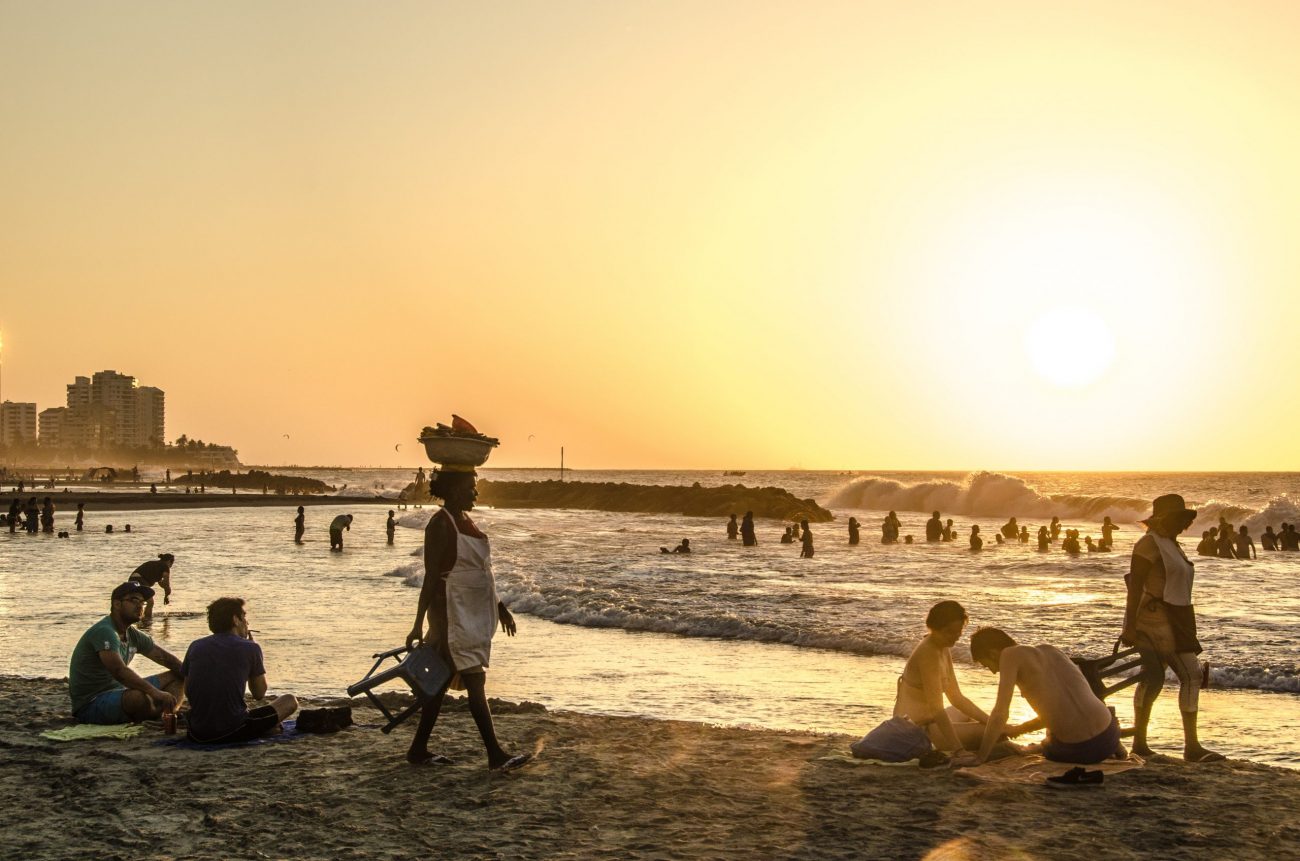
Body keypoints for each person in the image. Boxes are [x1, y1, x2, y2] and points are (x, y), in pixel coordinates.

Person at [405, 469, 530, 771]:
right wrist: (418, 622)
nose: (475, 494)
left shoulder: (466, 520)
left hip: (472, 611)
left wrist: (500, 607)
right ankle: (495, 755)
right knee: (474, 678)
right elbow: (432, 577)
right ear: (454, 489)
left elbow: (481, 573)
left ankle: (418, 749)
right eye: (470, 488)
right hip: (451, 613)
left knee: (441, 680)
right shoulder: (440, 524)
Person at [1121, 494, 1222, 762]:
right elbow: (1134, 586)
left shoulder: (1171, 545)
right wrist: (1130, 625)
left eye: (1184, 520)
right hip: (1156, 619)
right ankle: (1191, 747)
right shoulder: (1148, 545)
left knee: (1152, 677)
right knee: (1191, 674)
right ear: (1164, 519)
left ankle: (1140, 744)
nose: (1183, 525)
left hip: (1177, 616)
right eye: (1179, 519)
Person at [956, 628, 1124, 767]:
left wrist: (981, 757)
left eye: (987, 665)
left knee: (1044, 745)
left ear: (993, 653)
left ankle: (1038, 747)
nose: (993, 671)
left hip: (1080, 751)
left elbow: (1000, 712)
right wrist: (1018, 729)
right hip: (1110, 734)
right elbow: (1059, 711)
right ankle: (1118, 748)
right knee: (1084, 709)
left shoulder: (1008, 655)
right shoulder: (1050, 650)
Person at [182, 597, 297, 744]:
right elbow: (259, 694)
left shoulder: (195, 646)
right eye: (244, 617)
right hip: (232, 729)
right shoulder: (250, 648)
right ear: (235, 620)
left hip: (196, 732)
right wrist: (252, 653)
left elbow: (188, 690)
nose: (247, 623)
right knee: (289, 700)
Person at [68, 582, 185, 724]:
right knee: (138, 697)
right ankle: (157, 715)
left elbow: (165, 658)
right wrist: (155, 693)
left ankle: (166, 714)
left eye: (142, 602)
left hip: (119, 692)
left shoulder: (132, 634)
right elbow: (119, 671)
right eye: (134, 600)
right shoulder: (105, 631)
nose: (140, 606)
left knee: (178, 675)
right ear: (117, 604)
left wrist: (194, 677)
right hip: (92, 703)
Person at [893, 601, 991, 753]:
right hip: (918, 731)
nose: (956, 636)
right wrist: (958, 750)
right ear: (934, 628)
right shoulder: (928, 653)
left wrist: (993, 722)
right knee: (992, 733)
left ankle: (985, 736)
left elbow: (957, 698)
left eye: (958, 631)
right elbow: (936, 710)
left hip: (932, 724)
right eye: (949, 632)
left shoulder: (942, 647)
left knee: (979, 720)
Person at [130, 553, 175, 623]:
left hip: (132, 580)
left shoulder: (155, 564)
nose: (171, 566)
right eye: (172, 563)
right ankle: (147, 620)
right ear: (169, 561)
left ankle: (140, 620)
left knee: (140, 602)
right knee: (150, 602)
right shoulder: (165, 567)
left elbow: (162, 584)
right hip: (140, 580)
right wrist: (167, 596)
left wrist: (166, 594)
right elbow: (166, 583)